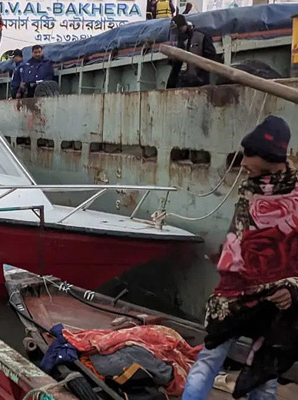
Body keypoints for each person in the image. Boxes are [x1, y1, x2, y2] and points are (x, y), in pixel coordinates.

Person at [182, 116, 297, 400]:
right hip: (234, 294)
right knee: (208, 358)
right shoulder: (250, 188)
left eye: (249, 155)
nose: (243, 162)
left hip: (277, 299)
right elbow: (240, 238)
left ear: (269, 156)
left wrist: (292, 286)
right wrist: (226, 260)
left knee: (264, 373)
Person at [166, 15, 216, 89]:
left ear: (183, 25)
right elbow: (177, 64)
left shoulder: (201, 36)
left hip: (198, 80)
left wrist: (200, 73)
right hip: (183, 79)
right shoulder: (180, 39)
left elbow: (211, 56)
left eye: (179, 29)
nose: (179, 32)